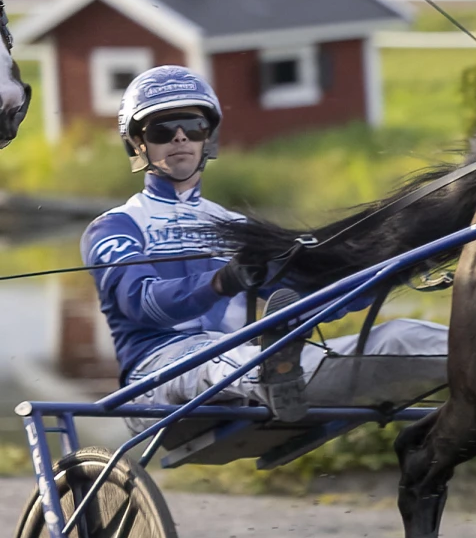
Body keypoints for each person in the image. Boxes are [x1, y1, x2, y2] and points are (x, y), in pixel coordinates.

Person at [81, 67, 446, 422]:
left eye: (193, 127)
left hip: (247, 369)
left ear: (208, 138)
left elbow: (309, 301)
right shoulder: (114, 227)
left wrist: (398, 270)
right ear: (137, 142)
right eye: (163, 130)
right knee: (221, 356)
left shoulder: (236, 227)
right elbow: (143, 304)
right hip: (154, 381)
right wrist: (224, 281)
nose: (180, 138)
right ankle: (273, 374)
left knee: (401, 336)